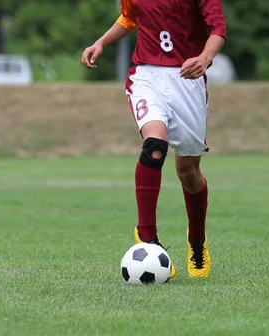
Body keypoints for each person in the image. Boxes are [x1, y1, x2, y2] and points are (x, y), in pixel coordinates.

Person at [81, 0, 227, 278]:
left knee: (189, 172)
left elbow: (217, 29)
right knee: (154, 146)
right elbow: (129, 17)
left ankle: (197, 240)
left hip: (188, 79)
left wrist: (205, 58)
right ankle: (148, 237)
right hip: (146, 75)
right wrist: (101, 42)